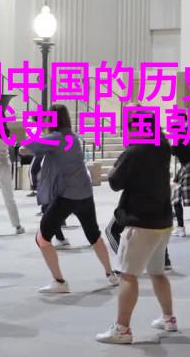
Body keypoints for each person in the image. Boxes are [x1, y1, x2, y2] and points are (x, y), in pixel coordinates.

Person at [96, 113, 177, 344]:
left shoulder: (134, 152)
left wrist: (115, 168)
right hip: (162, 220)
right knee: (157, 272)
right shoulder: (163, 146)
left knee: (128, 275)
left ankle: (122, 329)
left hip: (140, 222)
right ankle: (169, 318)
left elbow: (115, 182)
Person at [22, 104, 117, 293]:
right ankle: (110, 274)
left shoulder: (55, 138)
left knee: (42, 238)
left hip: (67, 195)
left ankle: (59, 281)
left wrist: (36, 131)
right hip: (85, 193)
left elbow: (27, 146)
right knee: (94, 235)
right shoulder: (73, 137)